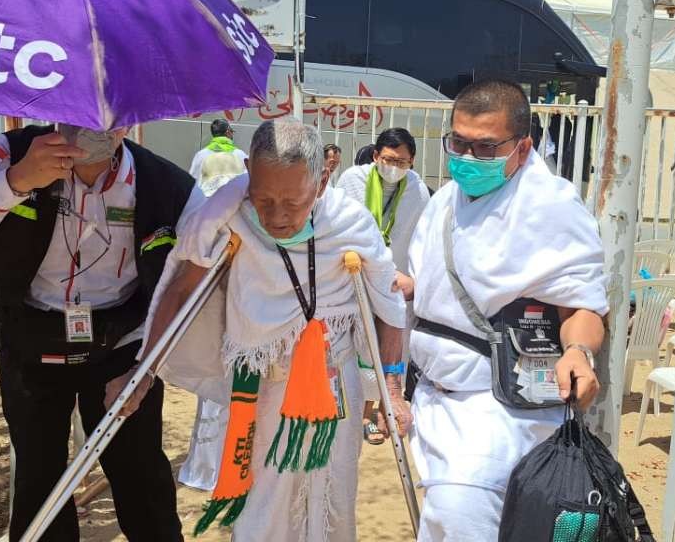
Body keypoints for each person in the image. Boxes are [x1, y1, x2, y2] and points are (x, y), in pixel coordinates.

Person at [124, 118, 408, 542]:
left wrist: (394, 391)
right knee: (263, 503)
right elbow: (182, 287)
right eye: (263, 199)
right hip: (262, 382)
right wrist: (144, 369)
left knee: (333, 496)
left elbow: (386, 304)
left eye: (292, 202)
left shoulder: (350, 224)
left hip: (335, 384)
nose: (276, 216)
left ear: (323, 180)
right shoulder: (226, 214)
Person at [0, 122, 192, 541]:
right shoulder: (12, 153)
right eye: (78, 111)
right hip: (32, 341)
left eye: (109, 114)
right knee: (39, 477)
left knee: (141, 477)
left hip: (122, 346)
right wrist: (14, 182)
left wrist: (147, 366)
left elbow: (207, 258)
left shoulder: (164, 183)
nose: (93, 126)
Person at [405, 79, 607, 541]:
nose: (467, 157)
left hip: (498, 407)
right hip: (434, 396)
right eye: (458, 142)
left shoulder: (550, 205)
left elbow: (581, 302)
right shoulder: (442, 201)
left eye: (485, 146)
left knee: (461, 509)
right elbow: (436, 288)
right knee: (440, 521)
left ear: (522, 147)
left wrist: (577, 351)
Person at [336, 128, 430, 445]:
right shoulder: (352, 180)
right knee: (362, 342)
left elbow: (421, 238)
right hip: (358, 277)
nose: (394, 166)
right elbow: (340, 225)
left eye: (402, 161)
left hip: (396, 281)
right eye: (389, 159)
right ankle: (362, 411)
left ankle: (382, 409)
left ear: (412, 162)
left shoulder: (417, 190)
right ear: (376, 156)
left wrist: (412, 278)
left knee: (393, 348)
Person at [176, 150, 246, 492]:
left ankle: (232, 469)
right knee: (216, 398)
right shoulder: (212, 216)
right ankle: (208, 471)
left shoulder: (203, 157)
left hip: (245, 322)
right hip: (221, 318)